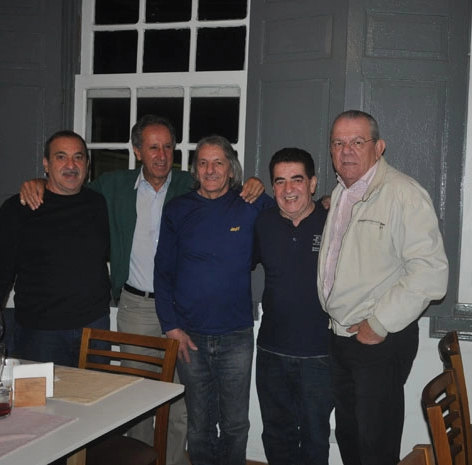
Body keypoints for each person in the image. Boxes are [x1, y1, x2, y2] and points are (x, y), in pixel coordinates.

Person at [18, 115, 264, 465]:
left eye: (167, 146)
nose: (161, 155)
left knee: (180, 405)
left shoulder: (187, 184)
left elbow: (226, 187)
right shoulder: (113, 185)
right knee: (136, 400)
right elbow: (69, 189)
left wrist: (253, 182)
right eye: (152, 147)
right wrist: (36, 183)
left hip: (180, 311)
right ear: (137, 151)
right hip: (135, 306)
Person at [317, 110, 449, 465]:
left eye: (357, 142)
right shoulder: (342, 194)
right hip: (342, 336)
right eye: (338, 143)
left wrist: (378, 324)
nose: (346, 151)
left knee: (376, 441)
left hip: (379, 339)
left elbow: (431, 273)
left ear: (379, 147)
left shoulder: (403, 194)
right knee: (349, 434)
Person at [155, 135, 274, 465]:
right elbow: (162, 271)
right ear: (195, 169)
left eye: (218, 162)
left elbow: (292, 207)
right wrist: (171, 328)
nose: (210, 170)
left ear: (231, 169)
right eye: (203, 163)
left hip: (236, 336)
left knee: (236, 424)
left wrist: (260, 186)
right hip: (189, 337)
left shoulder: (250, 205)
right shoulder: (178, 210)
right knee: (200, 426)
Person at [0, 130, 111, 367]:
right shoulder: (19, 208)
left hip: (95, 330)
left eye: (78, 157)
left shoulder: (99, 203)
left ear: (87, 164)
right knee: (40, 404)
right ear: (46, 164)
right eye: (61, 157)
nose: (71, 165)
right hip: (39, 335)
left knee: (97, 401)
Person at [253, 148, 332, 465]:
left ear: (312, 183)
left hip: (320, 354)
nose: (288, 190)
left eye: (296, 180)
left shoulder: (334, 223)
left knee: (315, 437)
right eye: (280, 181)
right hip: (272, 351)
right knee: (276, 434)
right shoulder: (261, 224)